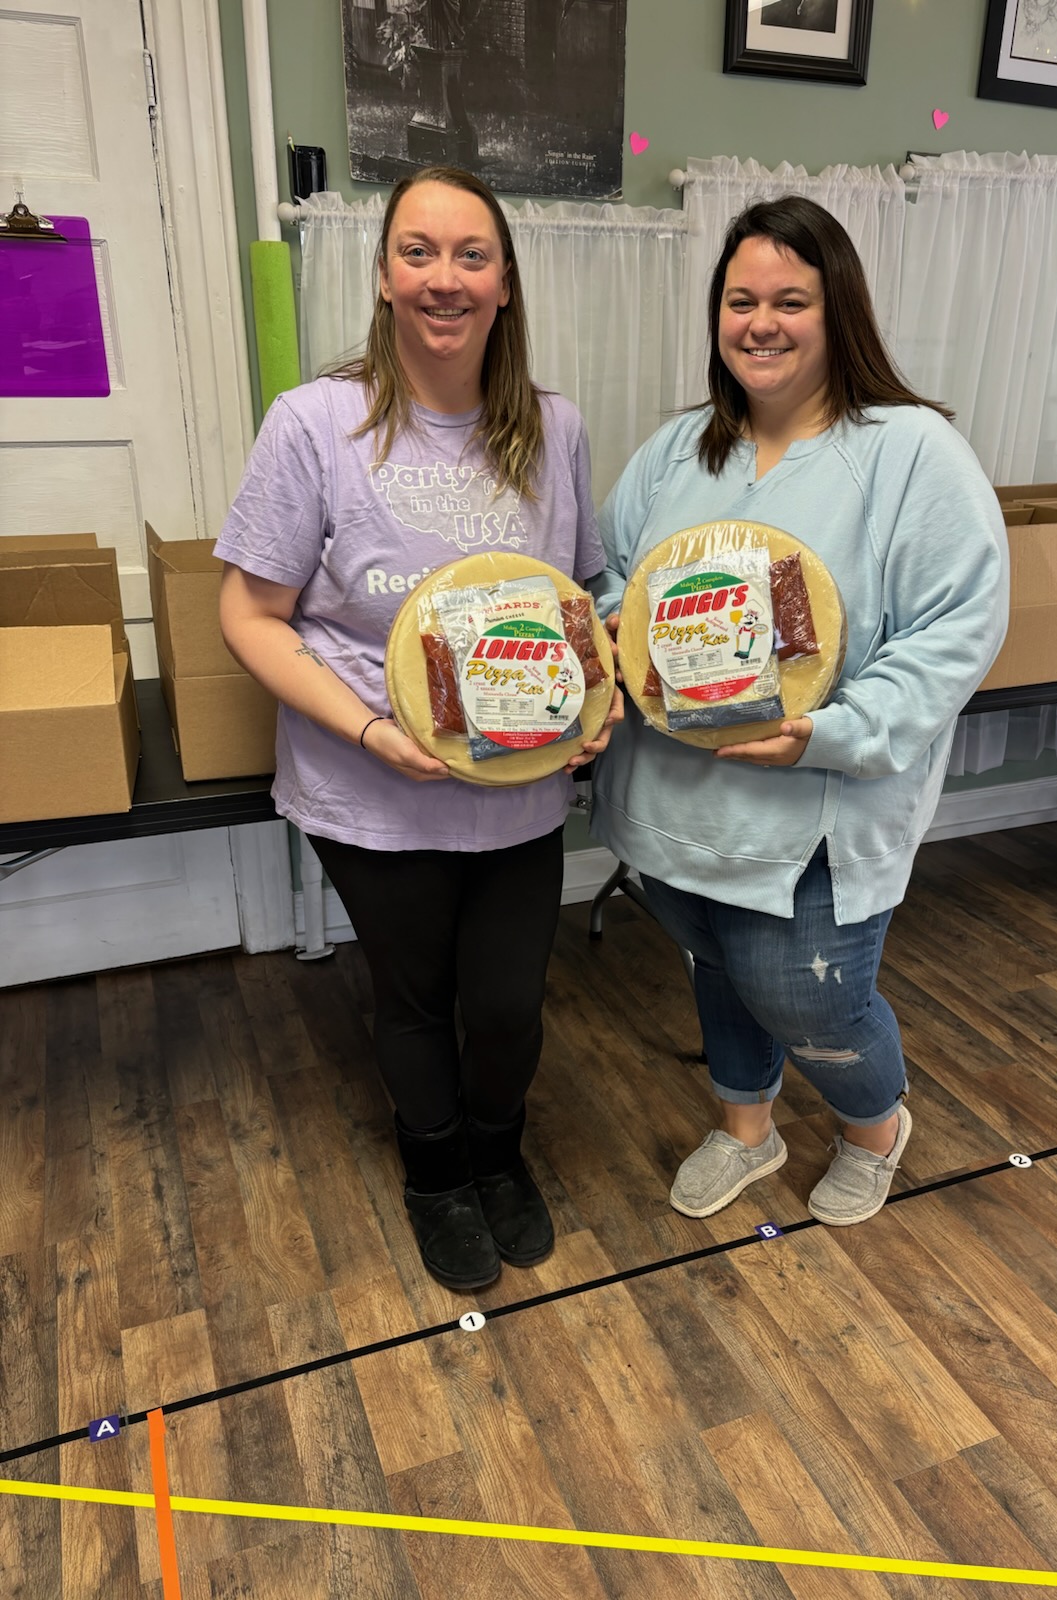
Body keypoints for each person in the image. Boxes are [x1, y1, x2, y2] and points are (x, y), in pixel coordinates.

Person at [216, 166, 620, 1291]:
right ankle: (436, 1172)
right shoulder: (314, 424)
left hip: (518, 783)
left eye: (470, 255)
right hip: (373, 784)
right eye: (418, 252)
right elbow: (248, 614)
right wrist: (364, 729)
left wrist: (600, 699)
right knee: (415, 998)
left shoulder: (555, 427)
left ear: (504, 285)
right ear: (386, 279)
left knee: (505, 1002)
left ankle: (500, 1153)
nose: (444, 277)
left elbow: (578, 598)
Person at [589, 196, 1008, 1227]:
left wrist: (832, 730)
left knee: (810, 995)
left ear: (839, 312)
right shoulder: (680, 450)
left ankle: (876, 1124)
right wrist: (603, 653)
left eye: (790, 299)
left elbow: (957, 627)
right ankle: (749, 1128)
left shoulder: (911, 452)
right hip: (678, 803)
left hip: (815, 803)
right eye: (741, 300)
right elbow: (612, 586)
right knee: (716, 965)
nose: (761, 322)